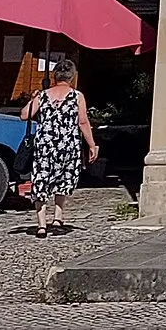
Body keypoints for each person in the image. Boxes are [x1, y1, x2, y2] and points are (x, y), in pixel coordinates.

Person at [22, 54, 97, 237]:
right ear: (72, 77)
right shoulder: (77, 96)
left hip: (45, 145)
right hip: (68, 145)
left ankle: (41, 225)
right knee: (63, 179)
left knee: (41, 181)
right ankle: (58, 216)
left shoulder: (43, 95)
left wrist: (33, 99)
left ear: (55, 76)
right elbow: (83, 122)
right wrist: (92, 145)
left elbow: (25, 115)